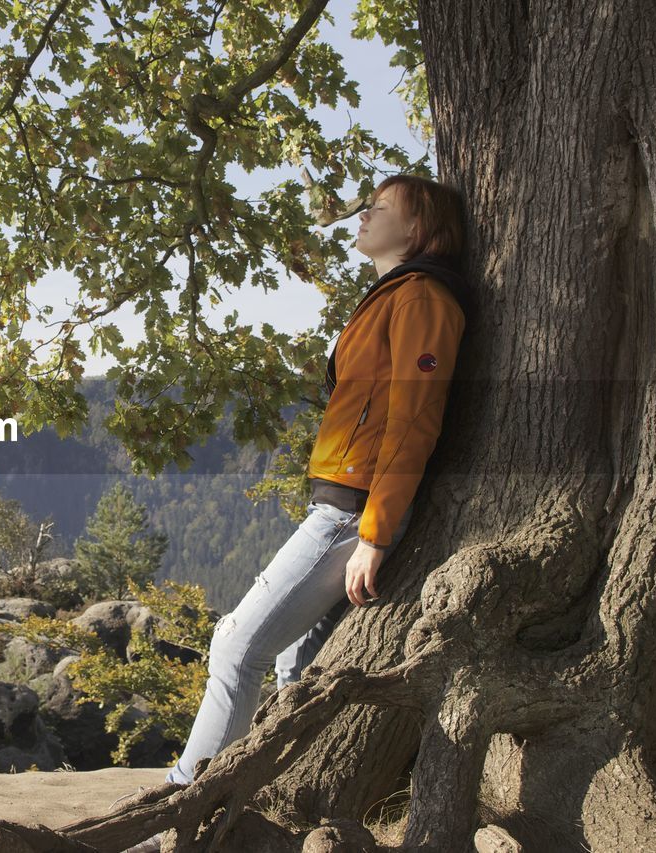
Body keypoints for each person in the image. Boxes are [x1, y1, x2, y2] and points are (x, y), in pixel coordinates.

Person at [119, 174, 468, 852]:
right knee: (294, 676)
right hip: (344, 501)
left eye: (381, 208)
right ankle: (252, 816)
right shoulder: (392, 295)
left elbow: (414, 420)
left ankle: (179, 806)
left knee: (236, 644)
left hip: (354, 512)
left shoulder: (425, 297)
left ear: (421, 229)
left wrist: (375, 532)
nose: (363, 215)